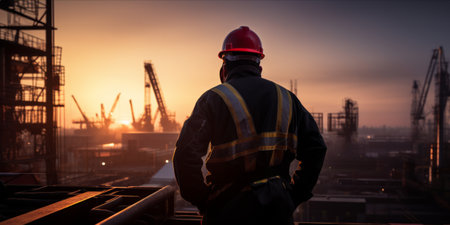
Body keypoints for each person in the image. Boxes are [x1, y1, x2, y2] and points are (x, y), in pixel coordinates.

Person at [173, 26, 327, 225]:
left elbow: (185, 155)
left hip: (226, 211)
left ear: (225, 66)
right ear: (259, 66)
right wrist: (294, 195)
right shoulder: (287, 99)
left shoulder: (213, 99)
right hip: (276, 210)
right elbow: (316, 148)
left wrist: (203, 200)